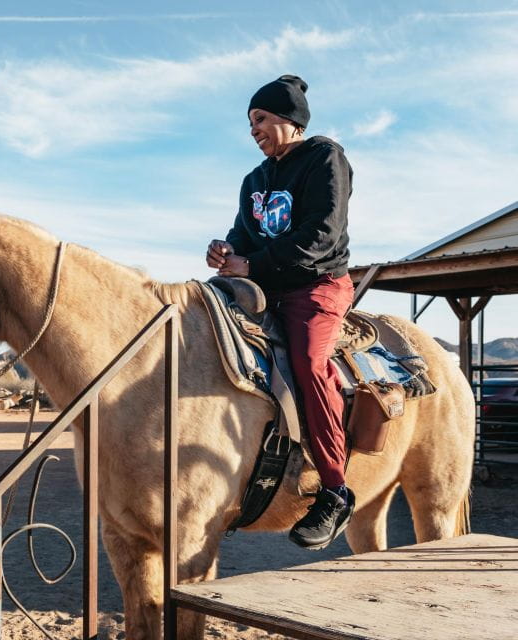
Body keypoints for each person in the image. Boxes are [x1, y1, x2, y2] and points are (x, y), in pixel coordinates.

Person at [206, 75, 355, 550]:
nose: (253, 129)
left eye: (261, 119)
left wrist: (253, 264)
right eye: (250, 122)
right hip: (263, 287)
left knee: (309, 362)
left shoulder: (324, 157)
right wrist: (226, 251)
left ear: (290, 119)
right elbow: (242, 236)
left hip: (317, 284)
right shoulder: (254, 180)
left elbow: (322, 233)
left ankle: (335, 490)